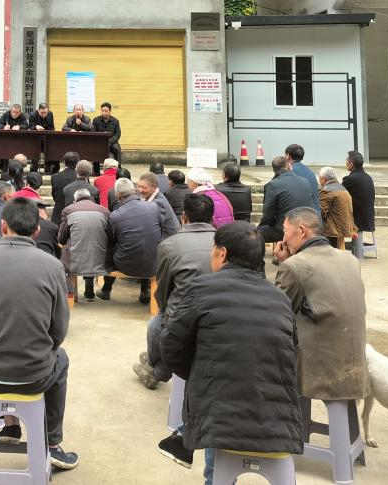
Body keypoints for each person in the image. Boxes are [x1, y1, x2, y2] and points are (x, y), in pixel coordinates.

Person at [158, 221, 302, 473]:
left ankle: (193, 449)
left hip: (220, 420)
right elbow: (293, 352)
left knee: (213, 387)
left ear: (222, 253)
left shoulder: (201, 288)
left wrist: (198, 371)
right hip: (278, 422)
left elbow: (170, 345)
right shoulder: (279, 298)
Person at [0, 198, 79, 471]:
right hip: (35, 374)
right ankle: (53, 443)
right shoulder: (52, 266)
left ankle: (11, 425)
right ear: (37, 230)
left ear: (3, 225)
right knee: (61, 358)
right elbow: (59, 328)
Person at [274, 207, 370, 410]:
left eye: (285, 231)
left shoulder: (295, 266)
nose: (283, 239)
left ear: (302, 231)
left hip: (321, 366)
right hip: (354, 360)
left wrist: (284, 264)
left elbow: (278, 313)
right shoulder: (350, 259)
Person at [134, 193, 216, 390]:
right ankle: (156, 367)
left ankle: (156, 368)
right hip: (218, 309)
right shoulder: (224, 241)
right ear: (212, 218)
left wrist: (165, 309)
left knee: (156, 324)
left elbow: (163, 287)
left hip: (183, 314)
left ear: (183, 217)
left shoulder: (170, 245)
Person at [104, 177, 163, 305]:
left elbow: (111, 243)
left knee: (116, 248)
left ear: (118, 195)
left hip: (127, 265)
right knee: (146, 243)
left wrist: (106, 265)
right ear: (134, 190)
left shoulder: (115, 216)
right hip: (153, 262)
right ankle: (144, 290)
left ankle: (106, 289)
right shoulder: (153, 207)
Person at [57, 187, 110, 302]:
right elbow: (110, 236)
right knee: (91, 246)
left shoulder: (68, 210)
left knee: (74, 247)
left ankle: (73, 295)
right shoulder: (104, 211)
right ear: (91, 198)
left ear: (75, 200)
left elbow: (61, 238)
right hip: (101, 258)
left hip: (75, 260)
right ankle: (89, 287)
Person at [257, 156, 316, 244]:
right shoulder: (305, 181)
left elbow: (268, 215)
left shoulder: (273, 185)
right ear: (289, 166)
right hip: (308, 226)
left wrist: (262, 226)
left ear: (274, 170)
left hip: (285, 229)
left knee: (254, 234)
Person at [341, 151, 375, 248]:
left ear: (351, 163)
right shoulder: (368, 177)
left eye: (346, 161)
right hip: (368, 217)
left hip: (356, 219)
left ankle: (336, 244)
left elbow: (339, 196)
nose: (346, 163)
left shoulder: (349, 179)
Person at [318, 166, 357, 248]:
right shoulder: (341, 188)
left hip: (332, 231)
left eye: (319, 178)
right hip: (343, 227)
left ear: (324, 179)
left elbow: (321, 212)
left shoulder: (327, 190)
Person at [137, 172, 180, 238]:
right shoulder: (155, 196)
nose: (140, 190)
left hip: (170, 239)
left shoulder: (159, 203)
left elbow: (149, 226)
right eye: (138, 186)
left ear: (154, 187)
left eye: (143, 187)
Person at [285, 143, 322, 215]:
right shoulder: (311, 172)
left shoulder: (289, 173)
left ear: (288, 156)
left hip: (299, 215)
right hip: (314, 213)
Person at [49, 151, 79, 223]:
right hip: (76, 214)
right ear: (77, 163)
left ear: (64, 162)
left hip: (59, 214)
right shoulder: (81, 177)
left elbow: (54, 195)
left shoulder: (55, 177)